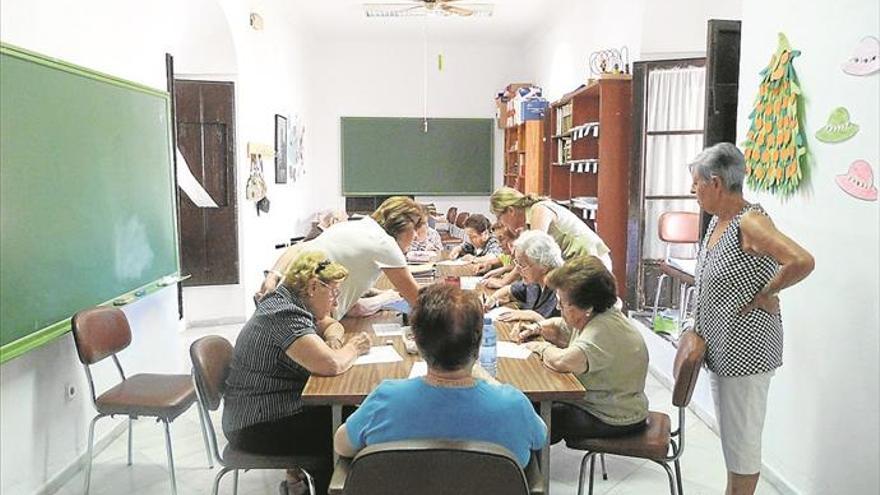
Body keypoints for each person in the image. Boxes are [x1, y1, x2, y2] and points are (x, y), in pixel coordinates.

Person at [685, 143, 814, 495]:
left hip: (747, 351)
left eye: (696, 183)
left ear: (715, 183)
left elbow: (801, 260)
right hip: (722, 349)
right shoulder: (718, 222)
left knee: (742, 444)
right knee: (732, 441)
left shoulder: (751, 222)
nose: (692, 190)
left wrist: (767, 293)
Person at [333, 284, 547, 467]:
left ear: (415, 340)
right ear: (480, 341)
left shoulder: (385, 399)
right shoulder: (513, 404)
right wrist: (488, 379)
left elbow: (342, 445)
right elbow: (540, 439)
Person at [223, 251, 371, 494]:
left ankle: (303, 484)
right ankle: (316, 487)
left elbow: (331, 324)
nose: (336, 302)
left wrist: (333, 341)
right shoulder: (283, 313)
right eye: (334, 293)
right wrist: (352, 348)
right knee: (347, 428)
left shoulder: (293, 303)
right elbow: (331, 365)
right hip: (255, 425)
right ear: (314, 286)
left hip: (272, 409)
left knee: (349, 418)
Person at [515, 255, 649, 443]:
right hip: (603, 403)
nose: (558, 307)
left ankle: (531, 470)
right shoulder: (597, 315)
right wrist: (537, 328)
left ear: (586, 306)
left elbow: (563, 362)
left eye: (562, 303)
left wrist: (539, 347)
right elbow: (561, 327)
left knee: (533, 416)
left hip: (614, 416)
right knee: (530, 409)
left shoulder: (603, 330)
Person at [256, 196, 424, 319]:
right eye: (416, 227)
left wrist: (273, 275)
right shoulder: (385, 244)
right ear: (402, 223)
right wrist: (389, 297)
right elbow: (419, 302)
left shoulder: (351, 226)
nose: (416, 236)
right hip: (302, 321)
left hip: (277, 308)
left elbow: (298, 248)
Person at [490, 187, 612, 270]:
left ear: (510, 211)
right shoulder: (527, 223)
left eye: (499, 217)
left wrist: (505, 282)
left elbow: (536, 254)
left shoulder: (539, 210)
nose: (502, 223)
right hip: (574, 263)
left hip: (589, 262)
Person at [484, 230, 562, 322]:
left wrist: (533, 316)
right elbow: (510, 289)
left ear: (543, 265)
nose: (518, 269)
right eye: (517, 263)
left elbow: (561, 332)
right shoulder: (535, 282)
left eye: (522, 265)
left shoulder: (561, 290)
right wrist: (493, 299)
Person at [478, 223, 521, 289]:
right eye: (497, 240)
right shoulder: (508, 256)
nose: (499, 244)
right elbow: (500, 259)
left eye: (501, 239)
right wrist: (488, 263)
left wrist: (502, 278)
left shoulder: (523, 261)